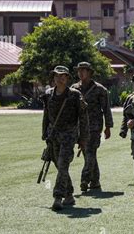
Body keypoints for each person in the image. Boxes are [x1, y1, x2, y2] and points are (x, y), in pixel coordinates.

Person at [41, 65, 90, 211]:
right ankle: (69, 194)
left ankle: (58, 196)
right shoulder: (49, 94)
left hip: (69, 135)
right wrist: (44, 133)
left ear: (67, 78)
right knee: (59, 165)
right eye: (56, 76)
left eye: (62, 76)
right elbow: (46, 116)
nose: (59, 78)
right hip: (54, 135)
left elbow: (83, 117)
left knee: (63, 164)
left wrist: (83, 138)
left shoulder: (75, 95)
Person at [71, 62, 113, 193]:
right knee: (88, 154)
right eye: (79, 70)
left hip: (95, 127)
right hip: (79, 127)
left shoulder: (100, 89)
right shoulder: (74, 89)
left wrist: (108, 126)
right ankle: (95, 182)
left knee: (90, 152)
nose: (81, 73)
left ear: (89, 72)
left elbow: (106, 109)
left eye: (84, 70)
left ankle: (85, 179)